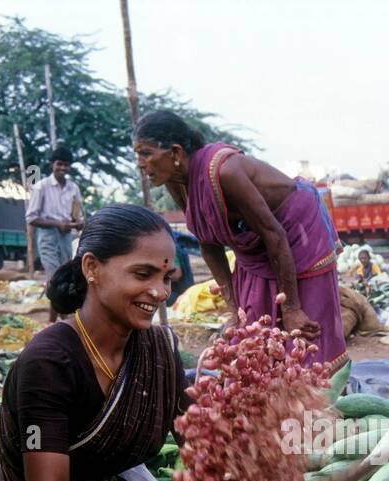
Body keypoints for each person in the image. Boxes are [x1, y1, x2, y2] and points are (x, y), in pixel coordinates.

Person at [0, 204, 213, 481]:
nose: (158, 292)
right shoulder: (48, 363)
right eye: (142, 274)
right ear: (92, 267)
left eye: (166, 278)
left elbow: (196, 445)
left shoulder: (159, 349)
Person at [134, 110, 348, 367]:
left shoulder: (225, 172)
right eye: (137, 155)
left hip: (297, 230)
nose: (139, 163)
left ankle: (317, 398)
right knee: (250, 327)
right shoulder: (177, 181)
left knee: (303, 333)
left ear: (176, 153)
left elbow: (274, 234)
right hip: (256, 244)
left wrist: (291, 308)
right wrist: (232, 310)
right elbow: (208, 243)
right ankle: (265, 393)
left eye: (145, 153)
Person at [26, 147, 85, 323]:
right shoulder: (41, 186)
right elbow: (31, 218)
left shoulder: (73, 188)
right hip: (48, 236)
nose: (62, 168)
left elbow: (77, 214)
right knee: (54, 279)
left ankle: (52, 323)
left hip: (66, 237)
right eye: (59, 164)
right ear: (52, 164)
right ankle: (64, 321)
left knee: (65, 279)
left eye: (66, 165)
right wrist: (58, 224)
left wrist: (79, 222)